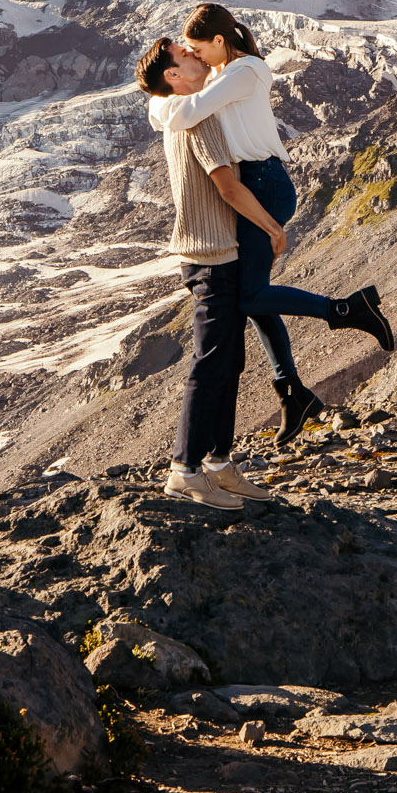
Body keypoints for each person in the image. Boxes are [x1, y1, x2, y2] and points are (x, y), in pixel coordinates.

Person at [143, 2, 394, 446]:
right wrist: (162, 103)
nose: (196, 56)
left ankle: (347, 310)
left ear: (220, 42)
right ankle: (291, 392)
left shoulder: (245, 72)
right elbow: (175, 108)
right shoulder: (220, 75)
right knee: (251, 297)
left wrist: (161, 104)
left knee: (252, 294)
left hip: (264, 185)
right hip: (252, 185)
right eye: (190, 53)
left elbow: (181, 113)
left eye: (198, 48)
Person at [137, 37, 290, 509]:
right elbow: (226, 186)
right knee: (210, 364)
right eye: (186, 56)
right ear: (173, 76)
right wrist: (270, 227)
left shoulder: (183, 111)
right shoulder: (195, 118)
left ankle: (220, 464)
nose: (196, 56)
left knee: (229, 362)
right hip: (210, 259)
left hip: (216, 255)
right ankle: (184, 470)